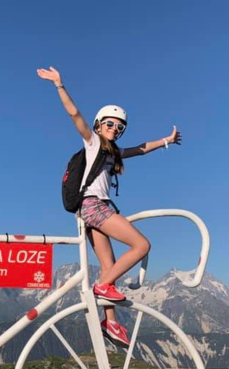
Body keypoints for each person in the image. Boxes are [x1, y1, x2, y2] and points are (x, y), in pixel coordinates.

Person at [37, 66, 182, 347]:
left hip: (89, 212)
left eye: (119, 126)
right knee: (141, 246)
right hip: (94, 207)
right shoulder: (92, 143)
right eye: (109, 124)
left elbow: (140, 148)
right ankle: (102, 289)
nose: (114, 129)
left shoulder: (113, 153)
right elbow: (75, 115)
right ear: (98, 125)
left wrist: (167, 140)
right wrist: (59, 85)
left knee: (109, 265)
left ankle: (111, 322)